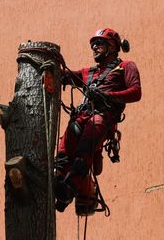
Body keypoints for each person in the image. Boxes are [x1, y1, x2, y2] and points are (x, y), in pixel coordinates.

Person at [55, 28, 142, 215]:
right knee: (66, 144)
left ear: (112, 46)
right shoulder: (90, 73)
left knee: (86, 145)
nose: (94, 46)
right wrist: (52, 67)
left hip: (102, 118)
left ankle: (72, 184)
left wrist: (107, 95)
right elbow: (68, 76)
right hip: (82, 117)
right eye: (93, 44)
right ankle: (59, 180)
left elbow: (135, 92)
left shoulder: (126, 67)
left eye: (99, 43)